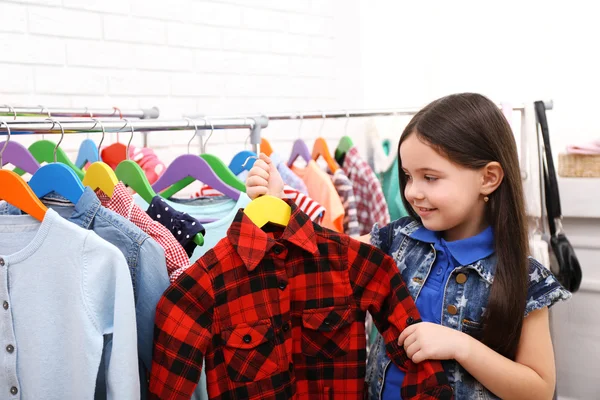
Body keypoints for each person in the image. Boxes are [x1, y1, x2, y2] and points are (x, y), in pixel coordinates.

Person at [245, 93, 571, 399]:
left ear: (488, 178)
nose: (412, 192)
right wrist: (278, 202)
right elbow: (322, 249)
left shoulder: (524, 279)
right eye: (408, 176)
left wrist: (460, 345)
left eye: (430, 177)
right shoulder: (396, 242)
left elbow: (538, 388)